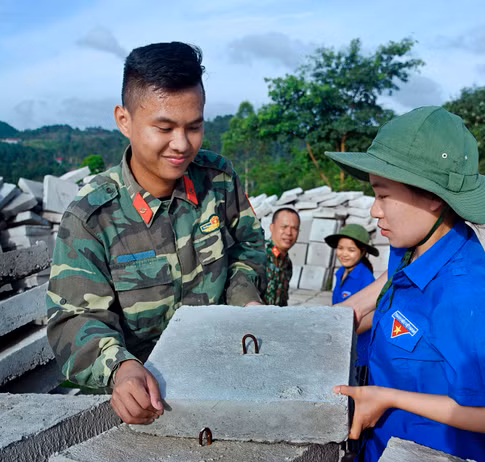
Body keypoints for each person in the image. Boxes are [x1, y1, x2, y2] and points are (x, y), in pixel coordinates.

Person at [46, 42, 266, 425]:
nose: (182, 145)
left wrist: (246, 299)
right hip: (136, 401)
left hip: (218, 377)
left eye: (194, 127)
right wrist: (120, 369)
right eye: (164, 128)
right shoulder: (91, 216)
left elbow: (250, 245)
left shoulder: (219, 180)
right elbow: (73, 318)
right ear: (124, 120)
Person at [327, 105, 485, 462]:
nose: (374, 210)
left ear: (432, 197)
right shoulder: (415, 245)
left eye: (383, 195)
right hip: (382, 457)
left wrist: (388, 397)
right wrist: (334, 321)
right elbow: (389, 283)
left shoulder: (466, 300)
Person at [325, 223, 377, 385]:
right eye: (340, 248)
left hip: (359, 352)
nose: (344, 254)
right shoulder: (340, 273)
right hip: (341, 342)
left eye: (351, 250)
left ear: (363, 252)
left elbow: (370, 317)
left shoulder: (366, 279)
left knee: (355, 389)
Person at [263, 207, 300, 306]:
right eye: (284, 227)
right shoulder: (258, 255)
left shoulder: (287, 263)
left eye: (294, 228)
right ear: (271, 227)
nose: (289, 233)